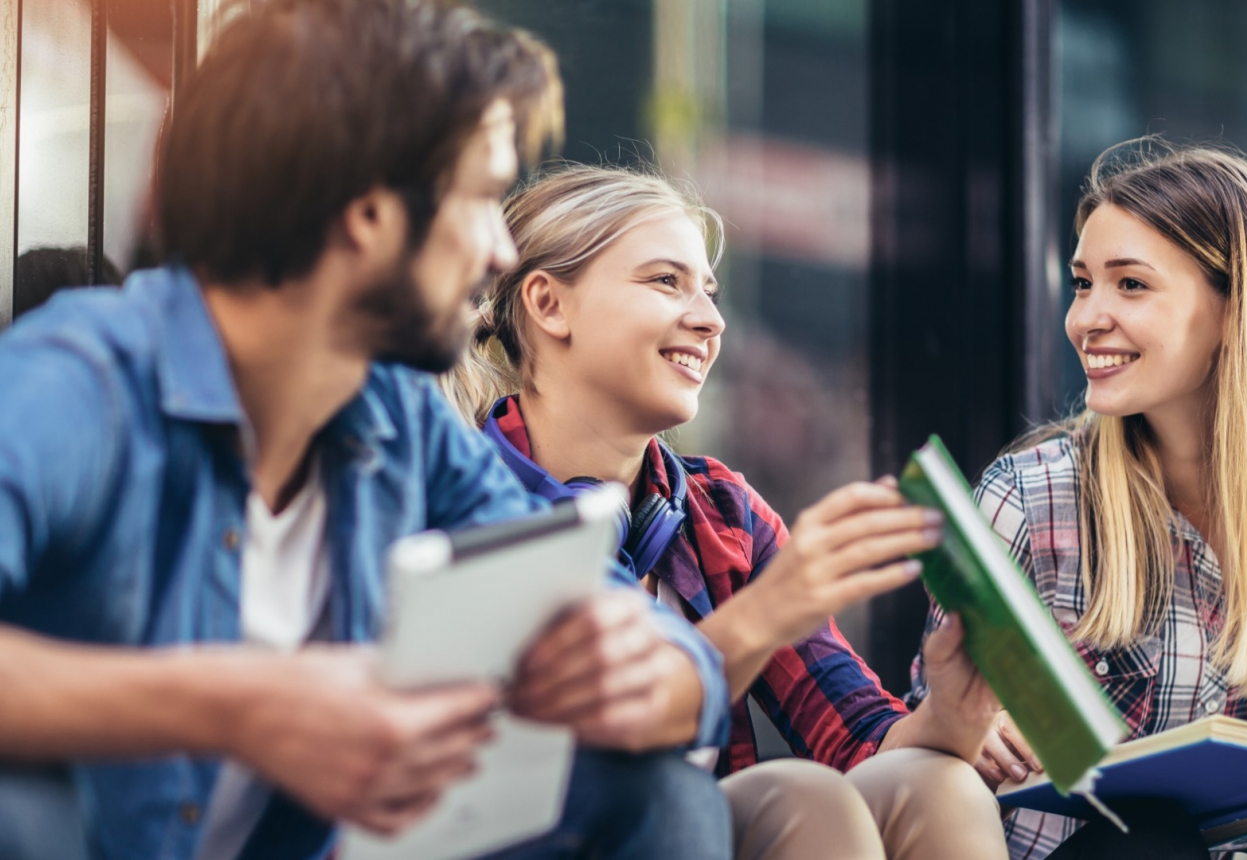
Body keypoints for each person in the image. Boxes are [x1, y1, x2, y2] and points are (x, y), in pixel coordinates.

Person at [0, 3, 733, 859]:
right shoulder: (83, 383)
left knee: (657, 796)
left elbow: (588, 593)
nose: (501, 249)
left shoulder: (396, 419)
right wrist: (245, 705)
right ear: (371, 214)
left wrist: (663, 668)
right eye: (483, 198)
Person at [440, 163, 1012, 860]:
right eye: (664, 281)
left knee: (937, 783)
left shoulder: (721, 511)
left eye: (709, 292)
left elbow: (856, 738)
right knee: (805, 798)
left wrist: (953, 714)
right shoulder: (464, 495)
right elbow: (597, 750)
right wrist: (768, 610)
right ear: (549, 305)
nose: (710, 321)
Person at [909, 139, 1247, 859]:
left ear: (1239, 310)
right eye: (1082, 283)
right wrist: (966, 729)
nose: (1086, 319)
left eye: (1129, 285)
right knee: (1153, 841)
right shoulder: (1028, 497)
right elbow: (928, 756)